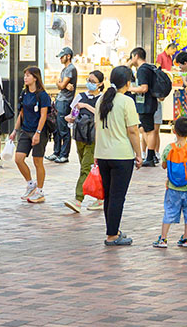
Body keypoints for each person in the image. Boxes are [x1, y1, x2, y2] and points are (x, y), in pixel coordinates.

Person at [94, 66, 142, 246]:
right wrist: (139, 154)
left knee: (109, 195)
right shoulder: (126, 101)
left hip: (103, 154)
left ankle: (112, 230)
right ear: (128, 82)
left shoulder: (102, 100)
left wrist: (97, 153)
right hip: (121, 155)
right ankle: (112, 235)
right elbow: (133, 130)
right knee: (117, 197)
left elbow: (97, 128)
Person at [153, 117, 187, 249]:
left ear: (174, 131)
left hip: (172, 187)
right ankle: (186, 238)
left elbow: (164, 165)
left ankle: (163, 239)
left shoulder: (169, 148)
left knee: (169, 211)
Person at [64, 70, 104, 213]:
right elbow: (73, 113)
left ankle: (78, 199)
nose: (90, 84)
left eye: (93, 82)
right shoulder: (79, 96)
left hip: (94, 137)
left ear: (100, 84)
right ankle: (100, 197)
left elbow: (102, 115)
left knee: (86, 168)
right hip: (80, 134)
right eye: (89, 80)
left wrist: (86, 106)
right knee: (86, 167)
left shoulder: (102, 99)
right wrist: (70, 118)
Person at [10, 66, 51, 204]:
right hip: (25, 130)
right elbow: (21, 114)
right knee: (18, 158)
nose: (25, 78)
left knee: (37, 161)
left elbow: (43, 115)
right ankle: (30, 184)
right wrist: (15, 131)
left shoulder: (43, 95)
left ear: (35, 78)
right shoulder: (24, 94)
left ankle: (40, 191)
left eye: (28, 75)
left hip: (39, 131)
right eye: (25, 75)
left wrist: (38, 133)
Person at [128, 48, 160, 167]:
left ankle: (151, 156)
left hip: (146, 104)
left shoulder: (142, 69)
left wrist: (130, 89)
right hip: (149, 103)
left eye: (132, 57)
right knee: (145, 129)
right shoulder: (149, 67)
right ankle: (150, 156)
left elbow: (144, 88)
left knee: (149, 130)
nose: (131, 60)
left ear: (136, 56)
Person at [50, 47, 78, 163]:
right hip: (60, 100)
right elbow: (60, 84)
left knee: (63, 129)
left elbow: (61, 85)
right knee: (56, 128)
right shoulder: (64, 69)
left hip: (65, 101)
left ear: (68, 56)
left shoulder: (70, 69)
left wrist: (61, 84)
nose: (60, 59)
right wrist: (60, 83)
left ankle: (64, 154)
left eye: (62, 56)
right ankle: (56, 152)